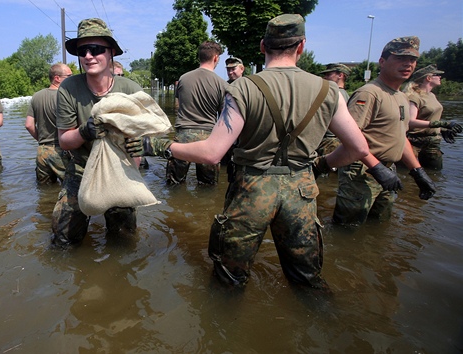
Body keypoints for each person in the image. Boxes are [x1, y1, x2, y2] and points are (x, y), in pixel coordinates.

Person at [127, 14, 369, 289]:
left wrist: (157, 145)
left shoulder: (244, 87)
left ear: (263, 46)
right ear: (302, 46)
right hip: (302, 192)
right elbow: (359, 148)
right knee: (307, 282)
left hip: (252, 189)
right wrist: (322, 166)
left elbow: (212, 153)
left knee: (229, 280)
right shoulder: (330, 91)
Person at [52, 18, 144, 246]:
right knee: (64, 238)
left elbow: (141, 138)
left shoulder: (131, 90)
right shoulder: (69, 89)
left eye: (96, 49)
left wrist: (135, 163)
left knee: (123, 241)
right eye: (83, 51)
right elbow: (64, 140)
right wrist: (85, 131)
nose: (89, 56)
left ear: (111, 52)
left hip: (121, 168)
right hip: (82, 167)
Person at [333, 37, 437, 225]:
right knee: (347, 229)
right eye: (400, 58)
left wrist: (418, 171)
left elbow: (401, 137)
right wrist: (376, 167)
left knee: (379, 228)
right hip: (362, 172)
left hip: (389, 171)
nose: (408, 64)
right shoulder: (369, 93)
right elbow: (348, 137)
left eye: (413, 60)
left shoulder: (401, 97)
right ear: (382, 62)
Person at [167, 41, 229, 186]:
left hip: (183, 135)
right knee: (208, 186)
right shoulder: (222, 84)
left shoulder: (183, 78)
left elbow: (179, 104)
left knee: (173, 184)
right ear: (215, 58)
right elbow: (224, 117)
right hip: (208, 138)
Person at [405, 64, 462, 170]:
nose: (440, 77)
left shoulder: (432, 96)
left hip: (433, 142)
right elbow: (410, 122)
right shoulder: (414, 96)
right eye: (437, 75)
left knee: (435, 175)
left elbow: (430, 119)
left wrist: (441, 129)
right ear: (428, 78)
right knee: (409, 175)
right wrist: (441, 123)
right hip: (415, 143)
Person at [25, 63, 73, 184]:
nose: (72, 79)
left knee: (45, 192)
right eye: (69, 76)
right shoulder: (66, 96)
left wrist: (42, 141)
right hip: (62, 151)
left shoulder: (36, 96)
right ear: (57, 78)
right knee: (72, 188)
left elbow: (29, 125)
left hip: (42, 152)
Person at [316, 63, 352, 157]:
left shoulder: (332, 94)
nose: (325, 77)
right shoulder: (347, 95)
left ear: (340, 75)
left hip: (328, 142)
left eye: (329, 75)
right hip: (339, 141)